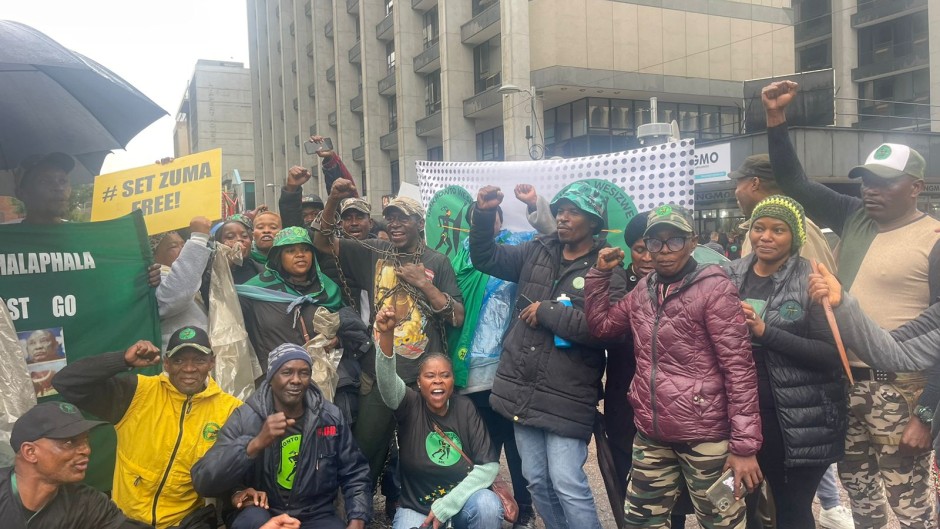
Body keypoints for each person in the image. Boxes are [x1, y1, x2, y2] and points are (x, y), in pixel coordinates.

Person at [764, 79, 940, 527]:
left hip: (901, 390)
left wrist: (927, 415)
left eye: (884, 183)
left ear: (916, 187)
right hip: (845, 382)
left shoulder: (934, 240)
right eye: (866, 181)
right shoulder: (853, 217)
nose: (870, 190)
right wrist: (776, 119)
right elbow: (794, 182)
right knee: (861, 499)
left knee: (911, 507)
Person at [584, 204, 762, 529]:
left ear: (692, 242)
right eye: (655, 241)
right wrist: (598, 275)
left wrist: (744, 448)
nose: (664, 250)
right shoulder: (643, 289)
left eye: (675, 240)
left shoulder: (715, 289)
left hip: (706, 438)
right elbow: (603, 327)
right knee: (639, 521)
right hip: (652, 434)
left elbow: (740, 370)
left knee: (721, 522)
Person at [469, 182, 625, 529]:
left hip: (566, 393)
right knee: (536, 480)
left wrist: (548, 311)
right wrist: (483, 215)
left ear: (594, 222)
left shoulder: (607, 267)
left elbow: (605, 329)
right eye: (560, 210)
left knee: (568, 483)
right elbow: (485, 257)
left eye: (574, 212)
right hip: (522, 386)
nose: (563, 217)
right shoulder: (536, 250)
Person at [311, 177, 465, 492]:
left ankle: (419, 504)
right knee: (366, 449)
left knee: (425, 449)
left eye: (402, 218)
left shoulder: (437, 261)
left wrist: (424, 283)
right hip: (378, 372)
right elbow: (323, 243)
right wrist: (333, 200)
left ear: (419, 223)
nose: (394, 224)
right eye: (390, 218)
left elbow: (456, 316)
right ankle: (359, 507)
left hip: (421, 376)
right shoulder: (373, 250)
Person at [722, 196, 847, 528]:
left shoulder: (812, 278)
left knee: (792, 509)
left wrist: (765, 332)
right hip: (740, 415)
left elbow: (830, 355)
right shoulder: (728, 274)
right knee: (739, 506)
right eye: (759, 228)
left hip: (797, 421)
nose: (765, 237)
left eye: (778, 230)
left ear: (795, 236)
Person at [52, 327, 242, 529]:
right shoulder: (137, 393)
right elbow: (65, 382)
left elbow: (235, 467)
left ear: (212, 362)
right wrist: (122, 360)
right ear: (166, 363)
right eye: (178, 360)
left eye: (199, 360)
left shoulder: (230, 410)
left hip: (184, 522)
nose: (189, 368)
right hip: (126, 520)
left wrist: (238, 491)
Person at [191, 343, 372, 529]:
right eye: (287, 372)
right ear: (271, 377)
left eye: (304, 373)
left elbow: (355, 473)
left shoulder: (329, 418)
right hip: (262, 511)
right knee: (252, 519)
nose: (296, 380)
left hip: (315, 514)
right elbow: (203, 480)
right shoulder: (246, 418)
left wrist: (357, 520)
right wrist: (254, 444)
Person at [373, 306, 503, 529]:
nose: (438, 381)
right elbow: (386, 382)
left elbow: (488, 467)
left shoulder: (465, 408)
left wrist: (446, 506)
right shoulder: (409, 404)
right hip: (417, 509)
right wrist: (386, 335)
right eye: (430, 376)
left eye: (445, 375)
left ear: (452, 382)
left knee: (488, 505)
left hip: (461, 505)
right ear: (419, 383)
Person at [450, 202, 536, 528]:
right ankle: (486, 507)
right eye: (478, 219)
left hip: (507, 370)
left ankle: (525, 508)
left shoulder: (516, 251)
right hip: (470, 372)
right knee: (480, 449)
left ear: (500, 219)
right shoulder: (458, 259)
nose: (486, 223)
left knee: (516, 447)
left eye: (491, 217)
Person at [0, 401, 150, 529]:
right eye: (69, 442)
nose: (86, 450)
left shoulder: (87, 503)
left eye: (86, 440)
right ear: (30, 452)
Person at [236, 226, 368, 372]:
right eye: (290, 251)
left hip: (327, 374)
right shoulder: (256, 290)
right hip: (277, 375)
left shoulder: (328, 288)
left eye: (306, 249)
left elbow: (348, 328)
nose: (300, 255)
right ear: (278, 256)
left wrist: (338, 340)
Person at [731, 154, 836, 271]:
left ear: (755, 183)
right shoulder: (752, 230)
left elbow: (820, 279)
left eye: (738, 184)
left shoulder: (800, 229)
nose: (736, 191)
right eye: (759, 229)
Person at [155, 216, 212, 354]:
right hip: (179, 358)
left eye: (183, 244)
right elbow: (180, 293)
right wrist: (198, 238)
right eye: (173, 246)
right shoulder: (154, 279)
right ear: (154, 255)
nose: (183, 250)